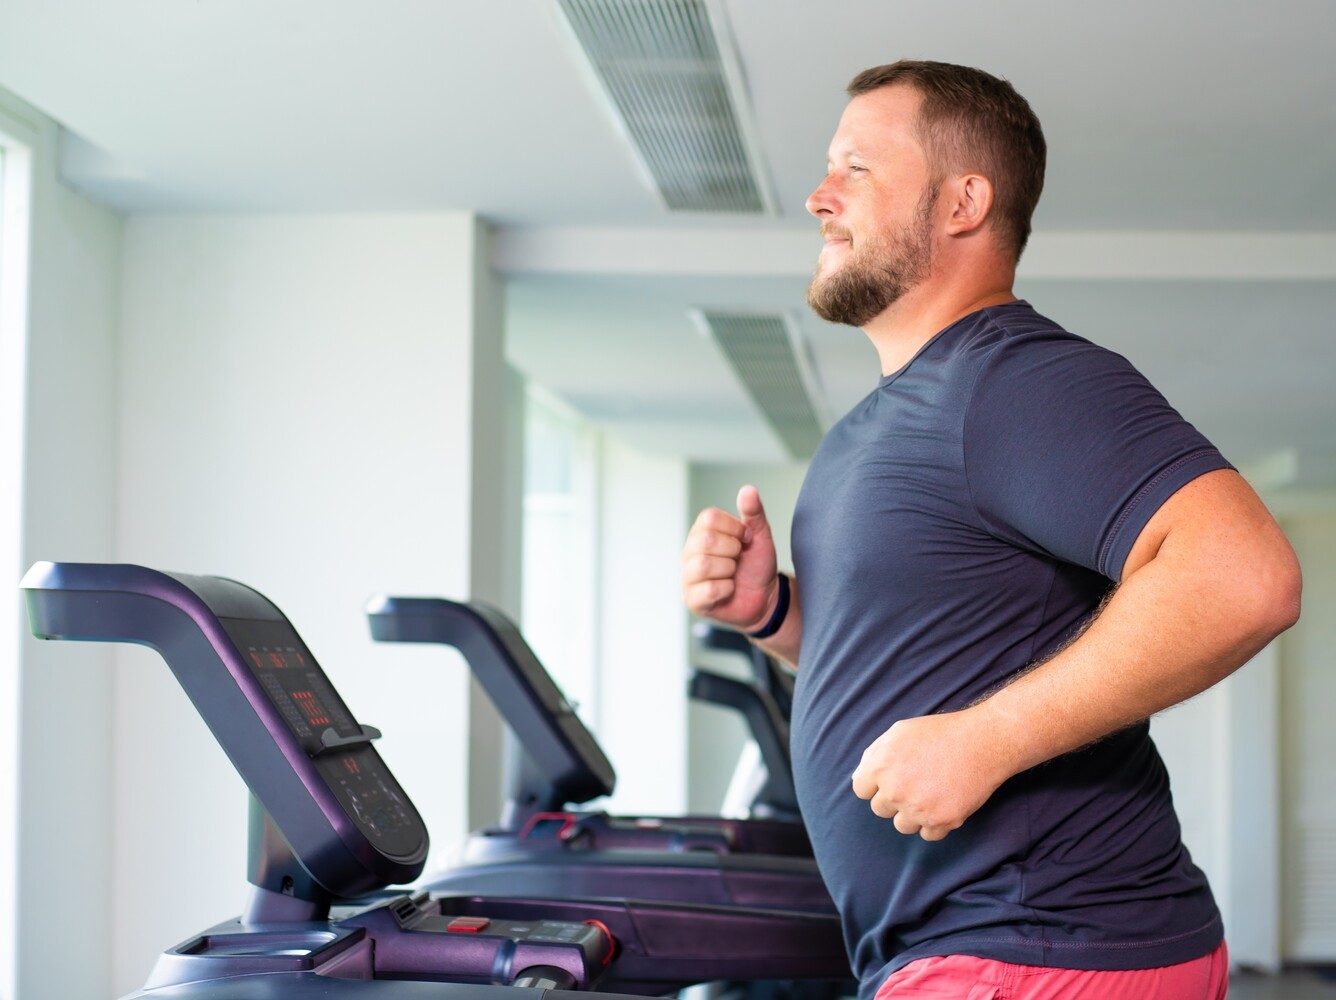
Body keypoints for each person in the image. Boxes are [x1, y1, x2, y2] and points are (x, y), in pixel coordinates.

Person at [680, 60, 1301, 1000]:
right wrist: (773, 615)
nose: (817, 197)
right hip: (973, 944)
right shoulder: (885, 422)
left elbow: (1245, 576)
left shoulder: (1014, 378)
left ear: (963, 201)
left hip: (1036, 943)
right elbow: (915, 666)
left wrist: (987, 741)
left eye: (855, 169)